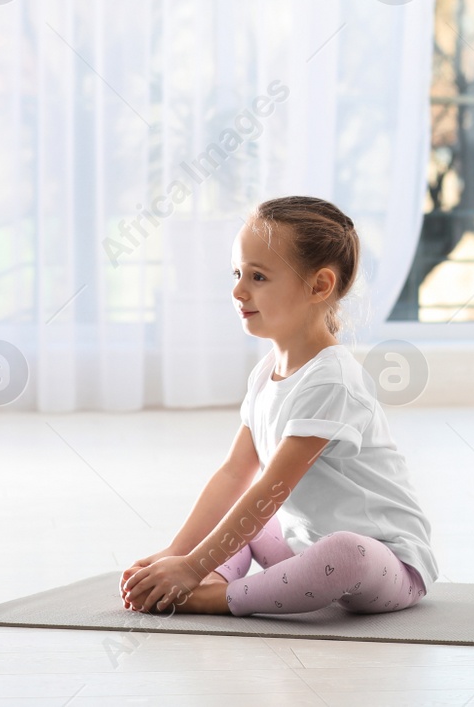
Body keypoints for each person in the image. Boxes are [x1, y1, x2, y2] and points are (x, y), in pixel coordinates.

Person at [120, 195, 438, 617]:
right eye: (236, 273)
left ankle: (216, 597)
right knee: (243, 522)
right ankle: (209, 580)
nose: (237, 290)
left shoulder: (333, 380)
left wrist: (190, 566)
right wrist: (176, 555)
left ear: (319, 286)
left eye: (258, 276)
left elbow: (272, 491)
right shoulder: (265, 372)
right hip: (300, 547)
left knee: (344, 551)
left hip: (383, 565)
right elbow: (235, 474)